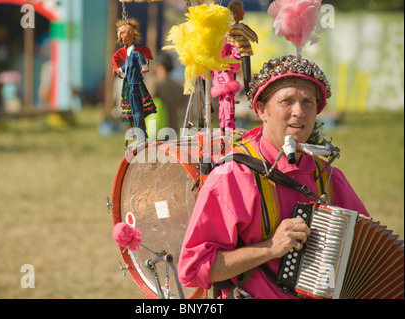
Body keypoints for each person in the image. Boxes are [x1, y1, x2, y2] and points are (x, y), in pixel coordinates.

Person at [177, 55, 370, 299]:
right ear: (261, 110)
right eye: (286, 101)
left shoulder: (330, 176)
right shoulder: (233, 176)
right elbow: (193, 270)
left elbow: (366, 252)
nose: (299, 112)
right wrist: (270, 247)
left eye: (308, 102)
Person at [112, 19, 156, 143]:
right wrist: (119, 69)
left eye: (124, 33)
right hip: (130, 84)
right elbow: (127, 65)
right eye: (121, 34)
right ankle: (139, 134)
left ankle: (142, 136)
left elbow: (140, 59)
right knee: (133, 110)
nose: (122, 36)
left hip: (134, 84)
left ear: (131, 34)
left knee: (137, 111)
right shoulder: (128, 53)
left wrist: (144, 66)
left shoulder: (135, 53)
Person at [227, 0, 258, 94]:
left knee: (233, 72)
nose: (243, 12)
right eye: (241, 10)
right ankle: (247, 89)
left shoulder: (229, 28)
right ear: (236, 13)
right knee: (246, 72)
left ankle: (235, 89)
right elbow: (253, 37)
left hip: (232, 53)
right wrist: (255, 38)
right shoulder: (241, 27)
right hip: (244, 52)